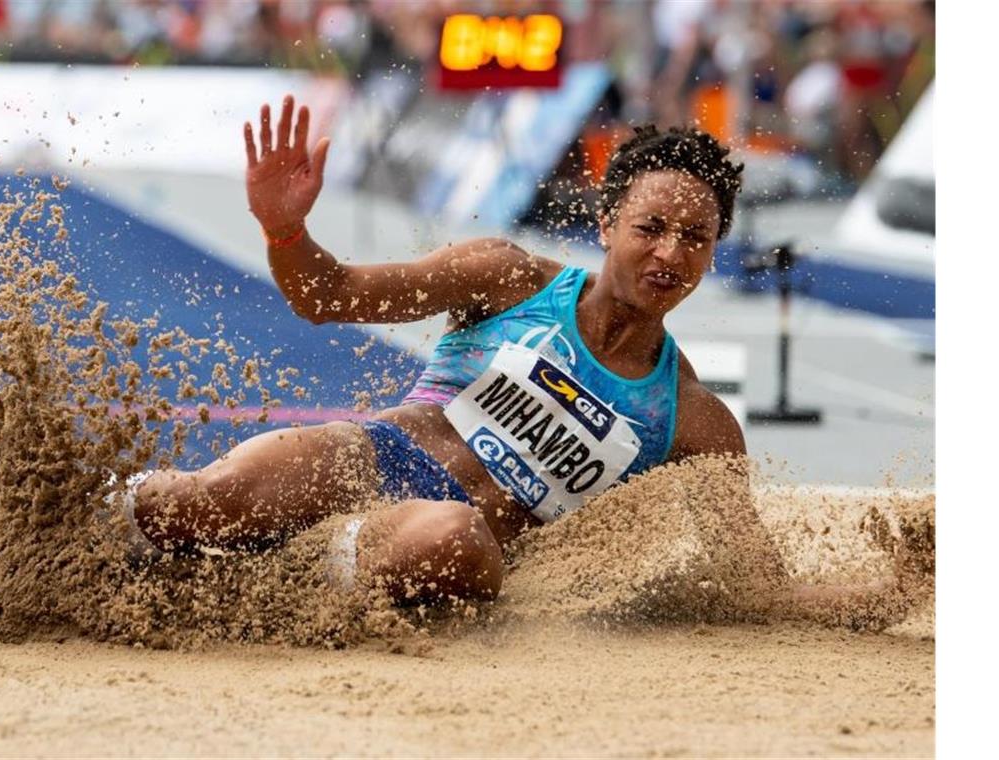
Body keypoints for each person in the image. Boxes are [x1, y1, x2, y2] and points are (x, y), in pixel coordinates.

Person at [118, 96, 927, 619]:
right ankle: (57, 522)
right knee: (195, 501)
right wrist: (285, 230)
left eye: (696, 238)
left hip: (449, 545)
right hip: (367, 460)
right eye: (651, 227)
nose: (671, 253)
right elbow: (330, 297)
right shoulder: (505, 277)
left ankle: (271, 586)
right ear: (606, 224)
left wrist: (897, 592)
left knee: (456, 538)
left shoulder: (696, 422)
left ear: (714, 253)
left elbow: (760, 589)